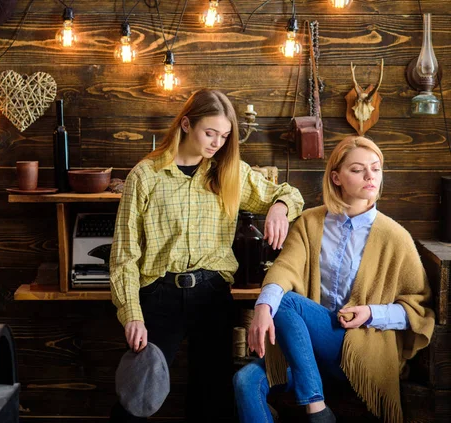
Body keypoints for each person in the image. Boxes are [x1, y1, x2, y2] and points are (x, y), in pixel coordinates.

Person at [109, 88, 304, 423]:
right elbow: (124, 255)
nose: (217, 142)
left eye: (224, 136)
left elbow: (290, 193)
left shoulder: (229, 172)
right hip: (158, 296)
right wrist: (132, 314)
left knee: (211, 398)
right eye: (210, 133)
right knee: (137, 395)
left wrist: (279, 208)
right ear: (186, 124)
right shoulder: (146, 175)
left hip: (212, 296)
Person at [233, 136, 435, 423]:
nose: (370, 176)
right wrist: (264, 308)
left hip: (359, 351)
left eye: (376, 169)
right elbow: (286, 268)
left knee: (287, 302)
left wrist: (370, 314)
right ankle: (317, 405)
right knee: (245, 382)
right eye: (357, 169)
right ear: (336, 177)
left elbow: (419, 311)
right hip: (304, 353)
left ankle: (315, 408)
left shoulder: (395, 237)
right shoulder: (309, 223)